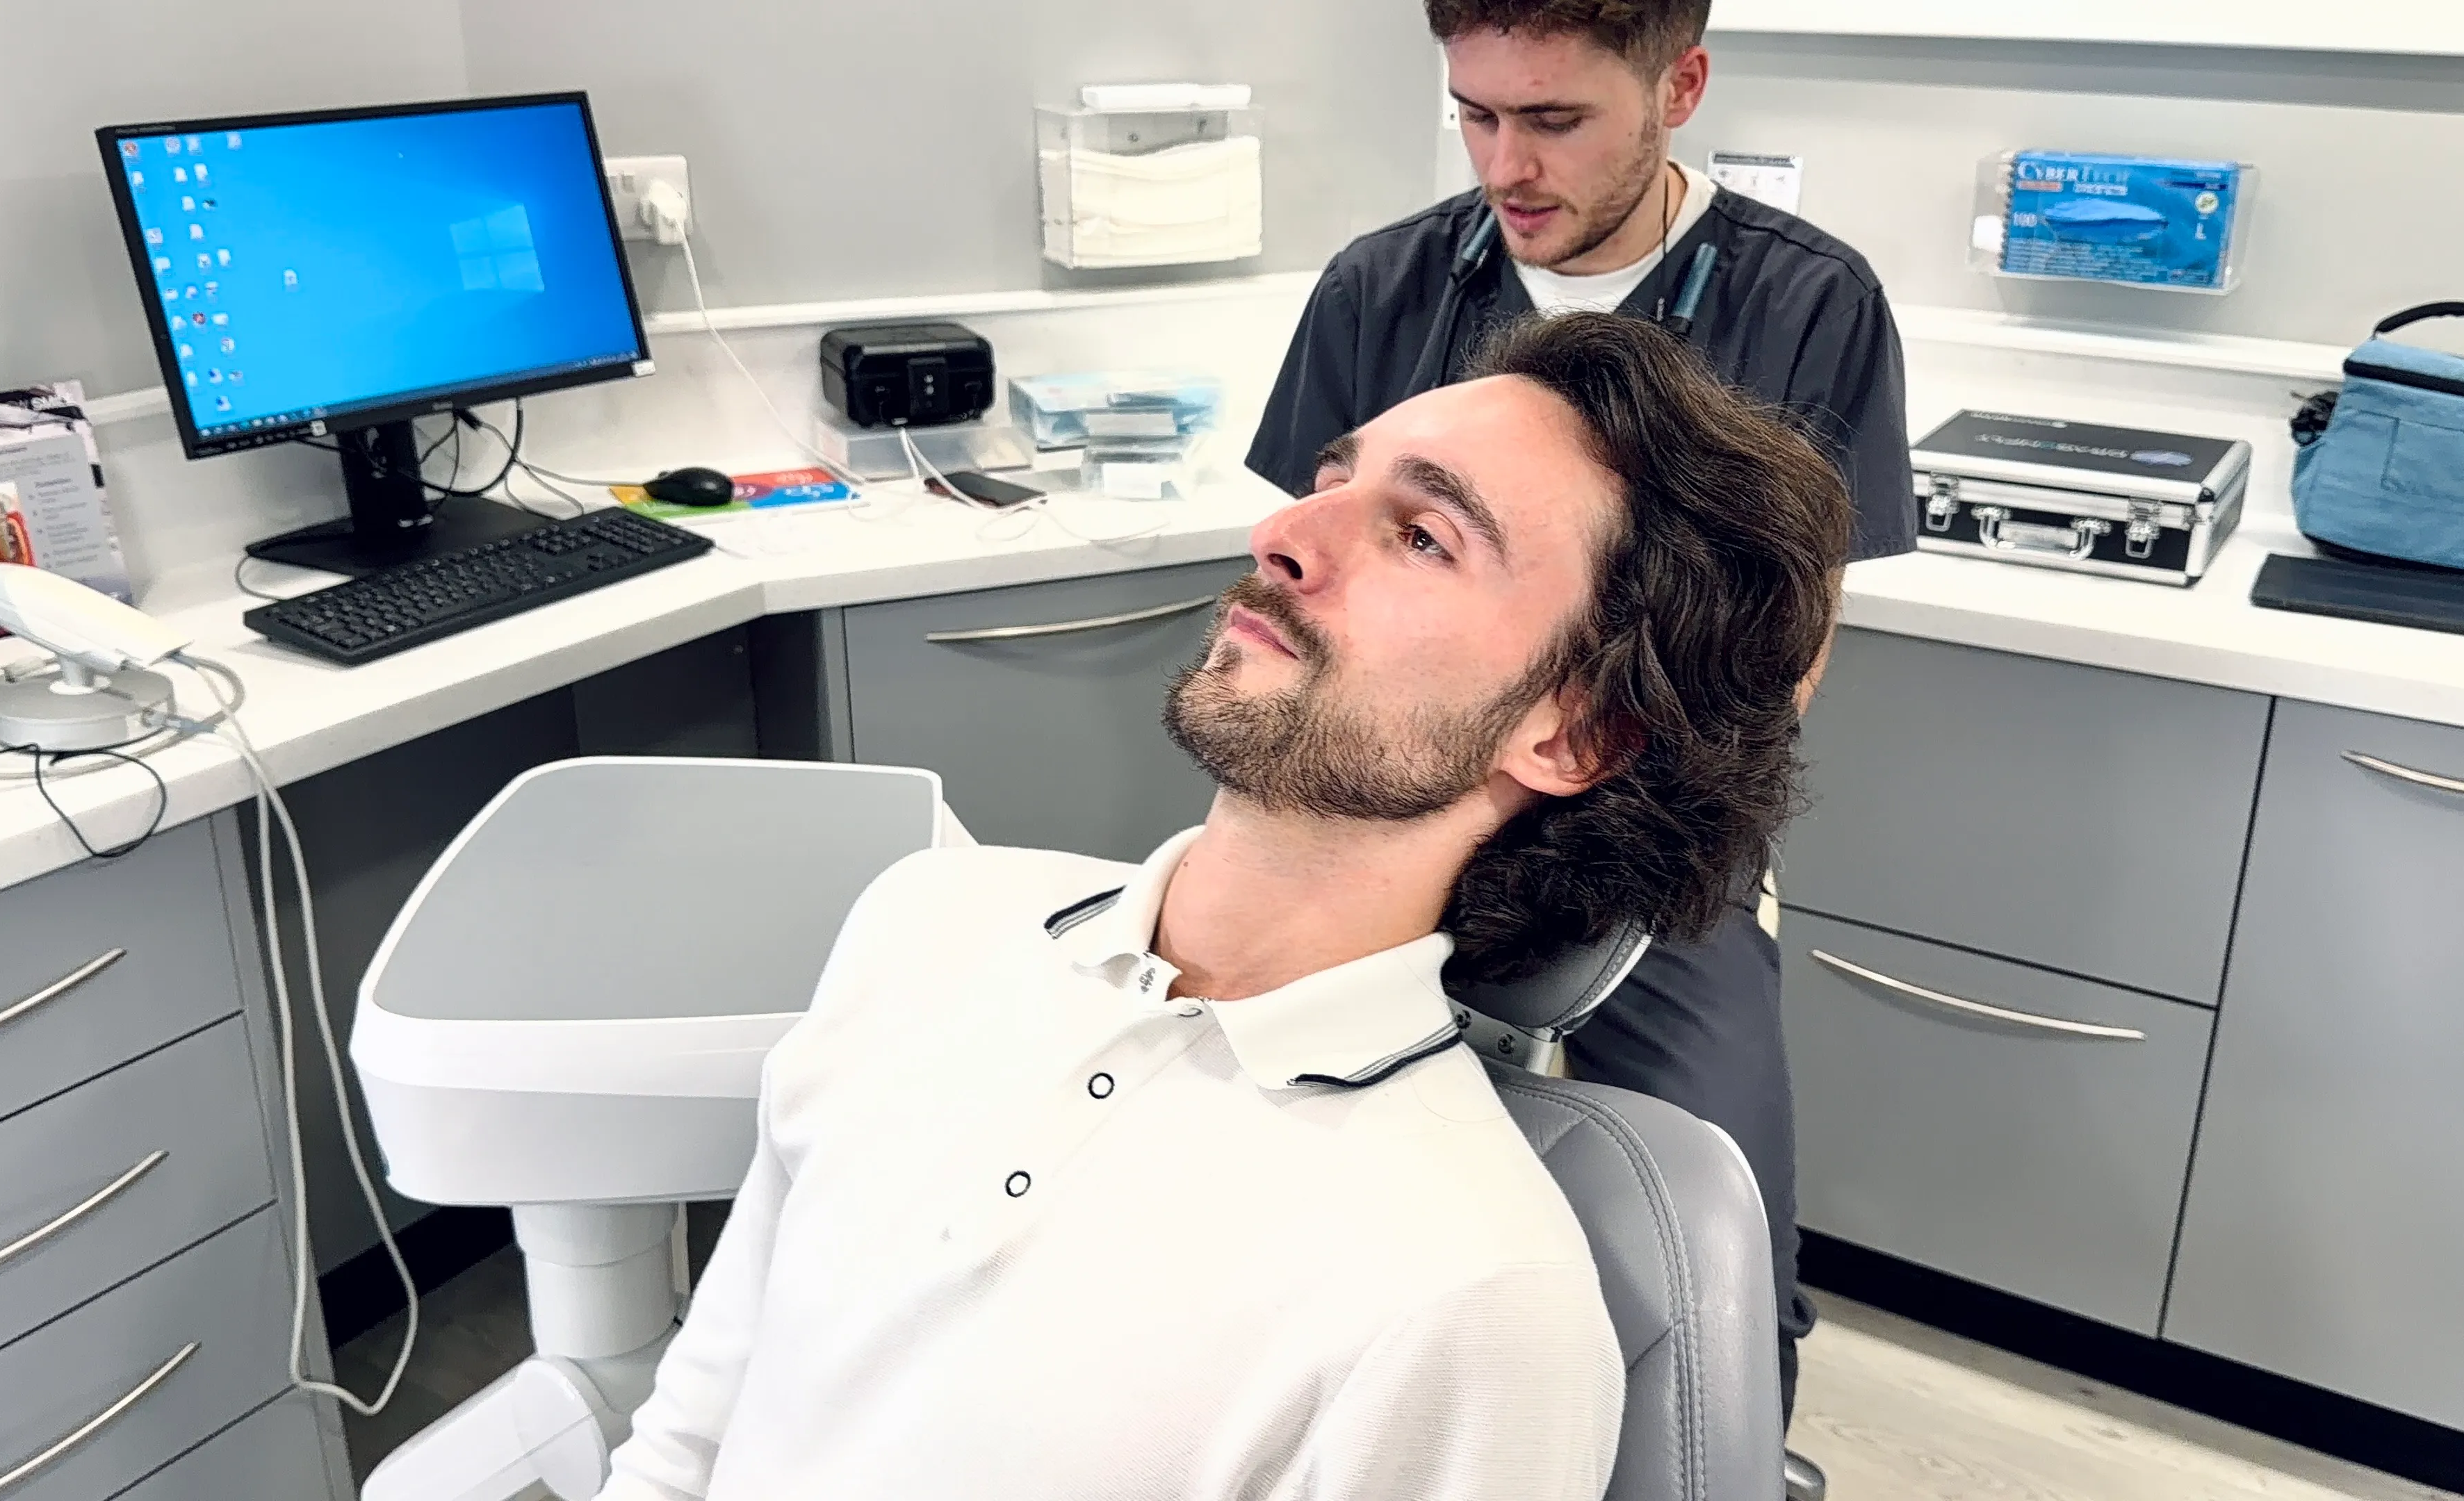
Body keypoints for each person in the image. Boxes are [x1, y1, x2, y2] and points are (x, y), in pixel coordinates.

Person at [596, 312, 1851, 1500]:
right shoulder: (924, 920)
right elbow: (697, 1427)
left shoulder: (1473, 1292)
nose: (1288, 534)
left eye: (1424, 535)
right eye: (1335, 474)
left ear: (1573, 734)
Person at [1246, 0, 1919, 1411]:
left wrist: (1577, 792)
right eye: (1476, 115)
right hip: (1385, 814)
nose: (1507, 166)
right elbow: (1309, 600)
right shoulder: (1387, 289)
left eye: (1554, 121)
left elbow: (1781, 657)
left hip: (1649, 834)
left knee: (1715, 1256)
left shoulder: (1804, 306)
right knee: (1279, 1210)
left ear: (1680, 85)